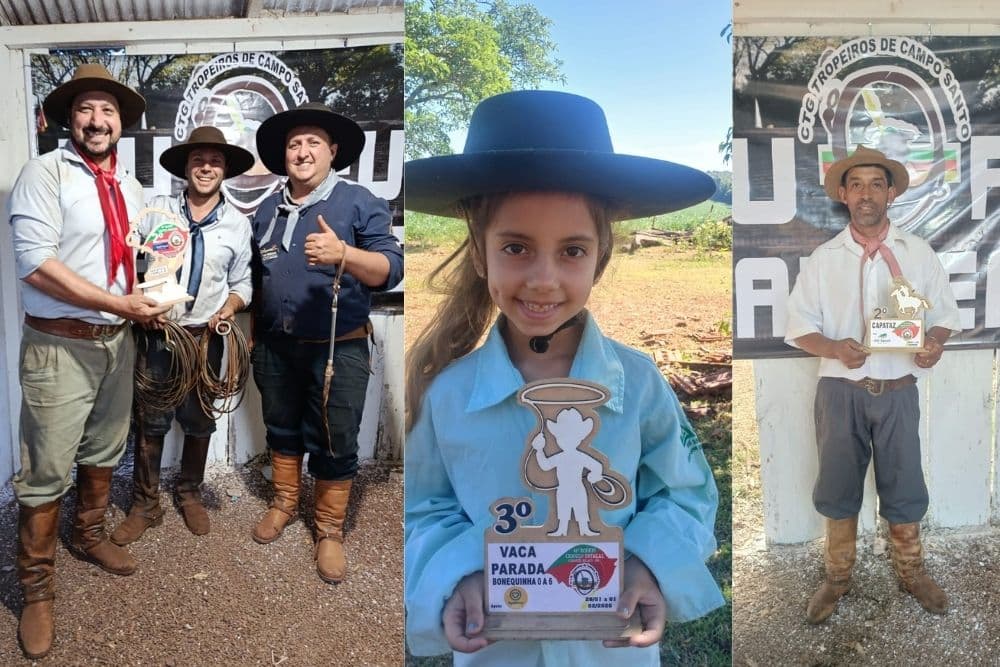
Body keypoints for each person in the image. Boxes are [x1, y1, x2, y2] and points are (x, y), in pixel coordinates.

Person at [403, 90, 725, 666]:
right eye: (516, 247)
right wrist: (459, 572)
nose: (544, 279)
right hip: (497, 649)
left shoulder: (638, 384)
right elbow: (423, 508)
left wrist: (647, 563)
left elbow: (685, 491)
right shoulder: (449, 395)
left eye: (572, 250)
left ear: (601, 257)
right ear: (479, 253)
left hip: (610, 647)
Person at [8, 63, 170, 659]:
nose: (97, 120)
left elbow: (131, 261)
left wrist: (147, 300)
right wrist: (119, 303)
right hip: (60, 344)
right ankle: (36, 589)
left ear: (121, 124)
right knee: (47, 467)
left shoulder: (129, 186)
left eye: (108, 111)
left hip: (116, 340)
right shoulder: (43, 174)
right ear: (67, 119)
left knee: (104, 447)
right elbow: (36, 264)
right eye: (86, 109)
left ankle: (88, 533)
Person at [784, 146, 962, 623]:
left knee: (904, 483)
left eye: (876, 185)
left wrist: (934, 343)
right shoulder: (823, 259)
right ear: (843, 195)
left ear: (891, 194)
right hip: (840, 391)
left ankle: (912, 571)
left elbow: (944, 316)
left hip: (899, 388)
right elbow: (799, 328)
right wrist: (834, 348)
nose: (867, 194)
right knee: (838, 484)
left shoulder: (917, 253)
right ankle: (837, 577)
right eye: (857, 185)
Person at [249, 102, 403, 584]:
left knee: (335, 438)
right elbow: (256, 278)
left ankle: (329, 530)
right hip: (275, 345)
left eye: (313, 142)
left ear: (333, 151)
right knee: (281, 428)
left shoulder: (358, 201)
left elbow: (392, 269)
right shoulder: (267, 209)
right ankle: (285, 503)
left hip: (339, 347)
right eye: (294, 144)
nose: (302, 151)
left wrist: (344, 253)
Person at [109, 126, 254, 545]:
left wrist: (230, 307)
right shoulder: (157, 211)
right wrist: (139, 300)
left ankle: (189, 491)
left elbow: (243, 282)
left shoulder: (237, 225)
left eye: (215, 161)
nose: (206, 168)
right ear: (186, 168)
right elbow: (128, 260)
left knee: (200, 419)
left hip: (205, 337)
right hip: (159, 333)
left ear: (225, 170)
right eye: (198, 160)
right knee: (151, 419)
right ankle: (145, 503)